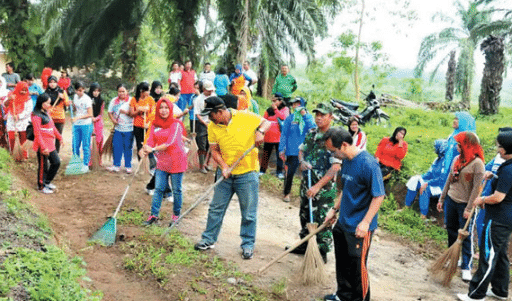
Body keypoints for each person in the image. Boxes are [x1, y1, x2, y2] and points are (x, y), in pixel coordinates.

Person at [194, 97, 270, 260]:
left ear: (220, 112)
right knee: (216, 208)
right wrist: (224, 166)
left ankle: (248, 244)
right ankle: (208, 239)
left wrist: (260, 132)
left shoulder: (245, 116)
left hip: (248, 173)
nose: (210, 119)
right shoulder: (213, 127)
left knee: (248, 212)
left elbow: (266, 122)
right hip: (225, 173)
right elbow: (214, 150)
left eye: (211, 115)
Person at [322, 127, 385, 301]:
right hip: (343, 223)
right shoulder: (347, 161)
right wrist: (334, 210)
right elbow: (346, 190)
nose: (332, 155)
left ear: (343, 145)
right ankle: (343, 295)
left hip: (359, 226)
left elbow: (379, 196)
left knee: (357, 267)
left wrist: (365, 222)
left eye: (333, 151)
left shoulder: (368, 164)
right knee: (342, 263)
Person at [456, 131, 512, 301]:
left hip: (498, 220)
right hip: (507, 219)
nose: (497, 149)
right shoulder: (507, 167)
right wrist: (493, 175)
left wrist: (482, 199)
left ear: (504, 149)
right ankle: (500, 290)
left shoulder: (508, 170)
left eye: (499, 146)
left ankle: (476, 294)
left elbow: (499, 197)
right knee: (500, 255)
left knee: (488, 255)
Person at [291, 102, 341, 262]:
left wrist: (317, 187)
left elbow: (335, 167)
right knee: (305, 215)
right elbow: (301, 150)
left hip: (323, 188)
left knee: (321, 220)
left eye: (323, 115)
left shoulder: (335, 138)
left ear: (330, 117)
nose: (319, 118)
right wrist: (302, 161)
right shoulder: (312, 133)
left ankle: (321, 252)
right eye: (317, 115)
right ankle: (305, 244)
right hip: (307, 182)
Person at [437, 131, 485, 282]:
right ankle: (453, 257)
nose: (457, 147)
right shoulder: (457, 159)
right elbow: (449, 180)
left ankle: (466, 267)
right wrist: (442, 198)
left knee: (466, 235)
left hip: (465, 205)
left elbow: (477, 189)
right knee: (451, 230)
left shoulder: (478, 164)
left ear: (467, 146)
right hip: (452, 200)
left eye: (459, 145)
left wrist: (469, 208)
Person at [141, 97, 187, 225]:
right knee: (159, 189)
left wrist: (153, 149)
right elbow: (150, 139)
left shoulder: (176, 124)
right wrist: (145, 147)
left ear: (171, 109)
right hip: (162, 162)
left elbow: (170, 143)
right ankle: (153, 216)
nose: (163, 110)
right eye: (161, 107)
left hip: (177, 161)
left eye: (166, 108)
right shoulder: (154, 124)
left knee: (177, 190)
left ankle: (176, 217)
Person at [279, 96, 316, 202]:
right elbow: (284, 134)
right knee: (289, 173)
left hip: (306, 151)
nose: (295, 106)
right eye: (293, 104)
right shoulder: (290, 118)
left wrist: (304, 115)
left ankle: (307, 195)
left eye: (298, 103)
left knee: (306, 174)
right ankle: (287, 193)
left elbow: (313, 129)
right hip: (292, 151)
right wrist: (282, 149)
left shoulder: (309, 117)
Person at [405, 139, 447, 219]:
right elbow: (430, 173)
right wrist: (420, 177)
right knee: (415, 181)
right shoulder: (437, 159)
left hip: (440, 186)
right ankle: (407, 206)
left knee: (425, 189)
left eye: (436, 147)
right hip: (431, 182)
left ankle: (423, 215)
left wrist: (427, 183)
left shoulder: (446, 162)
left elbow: (442, 178)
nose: (435, 149)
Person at [31, 93, 63, 194]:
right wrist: (43, 147)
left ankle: (47, 181)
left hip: (50, 144)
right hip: (42, 145)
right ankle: (41, 186)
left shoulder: (46, 113)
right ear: (41, 103)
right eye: (48, 103)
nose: (49, 104)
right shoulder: (36, 116)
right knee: (43, 166)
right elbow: (37, 134)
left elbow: (52, 127)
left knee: (56, 162)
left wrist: (59, 137)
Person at [260, 93, 289, 178]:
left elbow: (283, 117)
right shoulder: (269, 110)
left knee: (279, 155)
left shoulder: (285, 109)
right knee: (266, 154)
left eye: (275, 101)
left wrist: (276, 109)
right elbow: (263, 119)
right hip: (268, 136)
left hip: (279, 137)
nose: (273, 102)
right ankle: (262, 170)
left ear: (280, 101)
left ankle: (279, 172)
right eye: (272, 101)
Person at [107, 84, 133, 173]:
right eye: (119, 91)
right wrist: (113, 120)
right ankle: (116, 165)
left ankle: (128, 166)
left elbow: (134, 113)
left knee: (128, 147)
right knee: (117, 147)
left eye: (123, 91)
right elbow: (109, 112)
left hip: (129, 128)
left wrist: (126, 112)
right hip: (118, 128)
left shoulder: (131, 100)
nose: (121, 93)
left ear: (127, 91)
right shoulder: (114, 101)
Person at [129, 82, 155, 166]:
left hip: (147, 126)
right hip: (137, 126)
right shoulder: (134, 99)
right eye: (147, 91)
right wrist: (139, 110)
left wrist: (147, 120)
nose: (149, 93)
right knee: (139, 145)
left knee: (148, 144)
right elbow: (131, 114)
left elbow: (153, 113)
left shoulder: (150, 99)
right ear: (142, 91)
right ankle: (141, 164)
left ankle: (151, 164)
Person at [4, 81, 32, 160]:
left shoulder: (28, 99)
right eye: (22, 90)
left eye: (25, 90)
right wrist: (9, 99)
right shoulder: (12, 95)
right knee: (12, 138)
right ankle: (13, 155)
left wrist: (19, 116)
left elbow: (28, 111)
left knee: (23, 139)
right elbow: (5, 105)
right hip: (12, 121)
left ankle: (24, 156)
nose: (23, 92)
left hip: (23, 121)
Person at [193, 80, 216, 173]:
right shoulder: (198, 99)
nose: (210, 92)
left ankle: (207, 163)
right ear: (204, 89)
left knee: (210, 144)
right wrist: (205, 123)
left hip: (213, 123)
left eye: (211, 90)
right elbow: (197, 114)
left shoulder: (214, 97)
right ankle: (202, 165)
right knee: (202, 145)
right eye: (208, 90)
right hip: (202, 124)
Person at [444, 111, 476, 176]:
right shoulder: (452, 136)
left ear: (464, 121)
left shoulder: (468, 139)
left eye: (457, 119)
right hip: (447, 171)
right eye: (454, 118)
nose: (454, 121)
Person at [71, 82, 93, 173]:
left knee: (85, 145)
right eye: (79, 90)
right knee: (75, 144)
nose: (81, 92)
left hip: (86, 124)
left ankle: (85, 165)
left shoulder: (87, 99)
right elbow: (75, 109)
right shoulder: (75, 97)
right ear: (75, 90)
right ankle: (76, 163)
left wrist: (78, 117)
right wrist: (72, 105)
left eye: (82, 90)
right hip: (76, 125)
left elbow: (90, 114)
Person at [46, 75, 69, 153]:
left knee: (58, 137)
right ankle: (49, 152)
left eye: (54, 82)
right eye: (50, 82)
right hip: (49, 118)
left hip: (59, 118)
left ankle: (56, 153)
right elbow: (43, 104)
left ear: (57, 83)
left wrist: (63, 97)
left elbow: (67, 103)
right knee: (49, 136)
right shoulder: (46, 93)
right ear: (48, 83)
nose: (52, 84)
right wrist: (48, 109)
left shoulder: (62, 92)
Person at [88, 82, 104, 165]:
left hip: (98, 123)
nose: (96, 93)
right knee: (89, 142)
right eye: (94, 91)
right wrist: (91, 118)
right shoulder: (87, 100)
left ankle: (99, 159)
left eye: (98, 91)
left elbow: (101, 114)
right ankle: (90, 161)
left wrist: (95, 118)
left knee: (99, 141)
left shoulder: (101, 101)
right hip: (88, 122)